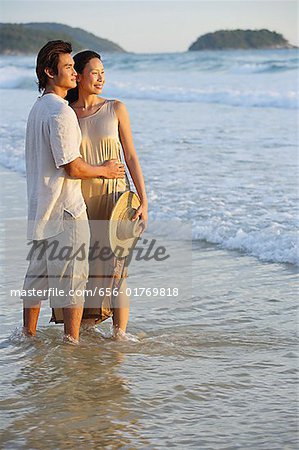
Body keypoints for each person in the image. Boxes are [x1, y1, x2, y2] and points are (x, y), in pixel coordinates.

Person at [22, 41, 125, 343]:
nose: (75, 74)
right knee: (73, 283)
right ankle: (72, 343)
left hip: (40, 206)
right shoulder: (61, 112)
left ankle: (27, 337)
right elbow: (73, 167)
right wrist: (105, 170)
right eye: (68, 68)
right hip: (66, 210)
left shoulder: (37, 108)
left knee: (36, 281)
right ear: (49, 72)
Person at [55, 50, 148, 338]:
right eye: (94, 72)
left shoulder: (116, 108)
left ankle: (120, 336)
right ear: (78, 76)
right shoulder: (67, 113)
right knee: (83, 272)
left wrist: (144, 199)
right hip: (80, 201)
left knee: (118, 272)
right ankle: (81, 333)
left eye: (103, 73)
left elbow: (131, 156)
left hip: (114, 199)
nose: (100, 78)